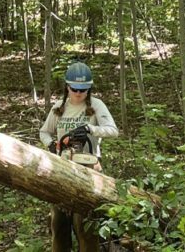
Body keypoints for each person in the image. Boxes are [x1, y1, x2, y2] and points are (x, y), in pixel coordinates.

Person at [40, 61, 118, 252]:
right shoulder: (59, 107)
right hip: (62, 170)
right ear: (67, 87)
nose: (78, 93)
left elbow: (113, 131)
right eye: (74, 89)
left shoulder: (96, 105)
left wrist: (90, 128)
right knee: (59, 225)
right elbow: (44, 132)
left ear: (88, 89)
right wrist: (51, 145)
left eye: (83, 90)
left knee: (85, 225)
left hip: (89, 170)